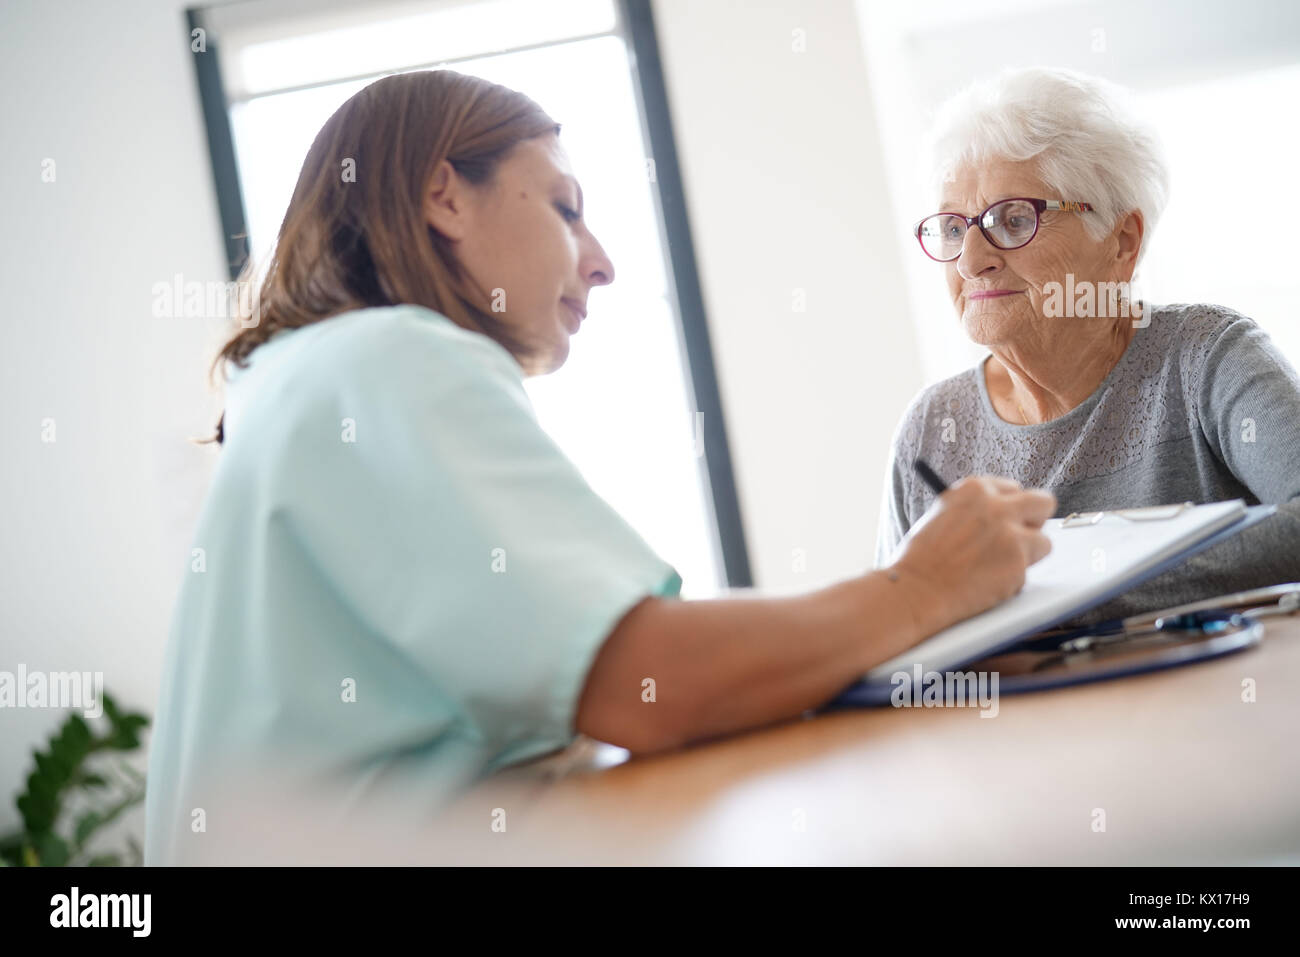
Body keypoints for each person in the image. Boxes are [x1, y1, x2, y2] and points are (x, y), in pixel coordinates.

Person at [145, 70, 1054, 865]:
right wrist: (921, 587)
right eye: (566, 208)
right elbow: (650, 685)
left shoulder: (300, 379)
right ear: (444, 196)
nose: (604, 262)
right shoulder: (393, 358)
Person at [878, 67, 1300, 621]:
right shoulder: (931, 432)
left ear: (1122, 242)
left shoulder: (1207, 358)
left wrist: (1067, 593)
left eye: (1012, 220)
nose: (971, 260)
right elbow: (895, 630)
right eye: (954, 229)